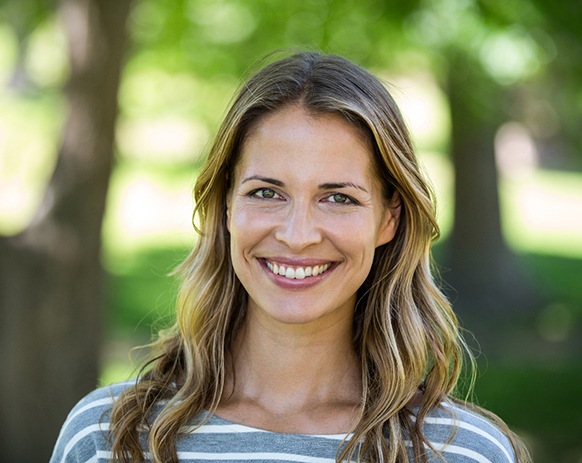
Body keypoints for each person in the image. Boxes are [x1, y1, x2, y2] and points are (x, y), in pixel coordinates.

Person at [50, 51, 531, 463]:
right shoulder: (107, 437)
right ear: (226, 207)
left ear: (389, 219)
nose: (298, 236)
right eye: (266, 192)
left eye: (338, 198)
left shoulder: (463, 452)